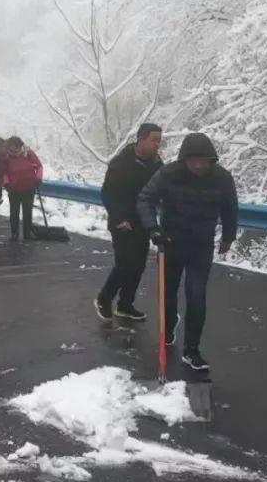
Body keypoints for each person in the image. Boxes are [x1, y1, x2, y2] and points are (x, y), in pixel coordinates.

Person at [137, 132, 238, 372]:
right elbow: (145, 199)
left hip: (201, 247)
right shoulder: (169, 174)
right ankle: (169, 325)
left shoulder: (222, 178)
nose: (198, 166)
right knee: (168, 294)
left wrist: (228, 236)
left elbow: (230, 207)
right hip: (170, 243)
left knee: (196, 296)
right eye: (193, 161)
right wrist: (153, 229)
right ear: (185, 160)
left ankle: (192, 350)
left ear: (211, 160)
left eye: (203, 161)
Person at [96, 123, 164, 322]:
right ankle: (104, 298)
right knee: (125, 263)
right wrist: (118, 219)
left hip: (143, 221)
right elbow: (107, 193)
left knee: (138, 265)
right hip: (122, 222)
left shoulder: (157, 164)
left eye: (159, 141)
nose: (157, 145)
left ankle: (125, 304)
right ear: (141, 139)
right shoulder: (121, 162)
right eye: (154, 140)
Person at [2, 136, 43, 241]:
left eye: (16, 146)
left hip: (29, 188)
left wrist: (38, 178)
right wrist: (6, 184)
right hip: (13, 189)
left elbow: (39, 166)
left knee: (27, 212)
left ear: (20, 145)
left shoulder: (28, 153)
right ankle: (14, 233)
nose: (14, 149)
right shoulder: (6, 156)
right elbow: (3, 171)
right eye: (11, 146)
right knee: (14, 213)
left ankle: (27, 233)